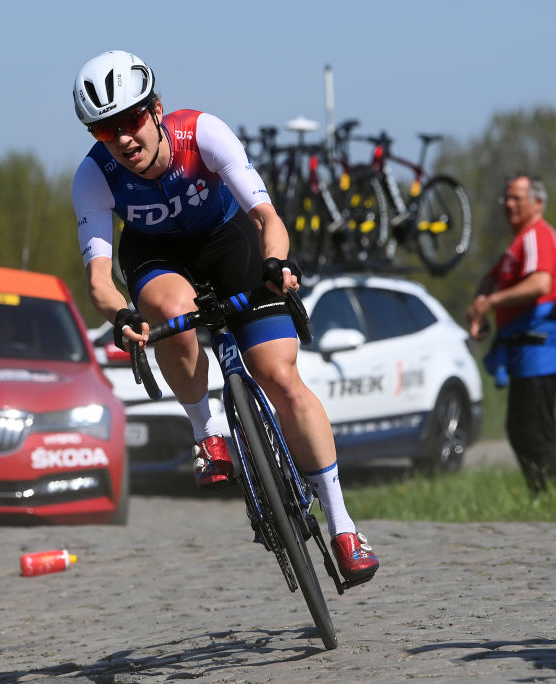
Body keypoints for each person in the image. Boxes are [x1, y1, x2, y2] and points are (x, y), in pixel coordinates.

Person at [71, 50, 378, 583]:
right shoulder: (93, 178)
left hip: (226, 241)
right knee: (171, 311)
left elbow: (266, 217)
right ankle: (206, 430)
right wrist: (121, 315)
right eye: (104, 131)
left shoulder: (203, 133)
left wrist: (276, 262)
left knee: (280, 376)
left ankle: (344, 525)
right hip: (156, 258)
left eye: (130, 121)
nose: (122, 139)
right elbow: (100, 279)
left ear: (157, 110)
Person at [466, 174, 556, 495]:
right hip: (523, 346)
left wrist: (492, 301)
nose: (508, 204)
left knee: (534, 427)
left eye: (516, 198)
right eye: (506, 198)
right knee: (521, 426)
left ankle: (550, 494)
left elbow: (540, 283)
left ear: (537, 202)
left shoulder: (537, 235)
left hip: (539, 344)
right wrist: (480, 308)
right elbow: (492, 277)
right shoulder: (518, 241)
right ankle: (543, 493)